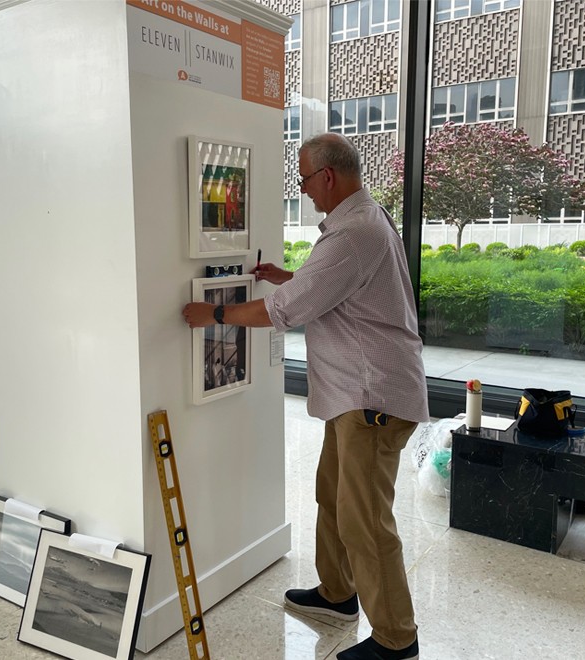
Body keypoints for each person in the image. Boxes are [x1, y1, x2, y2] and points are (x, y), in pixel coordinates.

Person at [182, 132, 428, 660]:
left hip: (373, 400)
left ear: (329, 177)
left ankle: (396, 640)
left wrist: (214, 314)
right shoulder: (365, 219)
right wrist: (289, 276)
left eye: (305, 179)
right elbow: (340, 287)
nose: (304, 190)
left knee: (365, 521)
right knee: (332, 497)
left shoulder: (355, 231)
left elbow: (283, 312)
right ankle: (338, 595)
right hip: (354, 398)